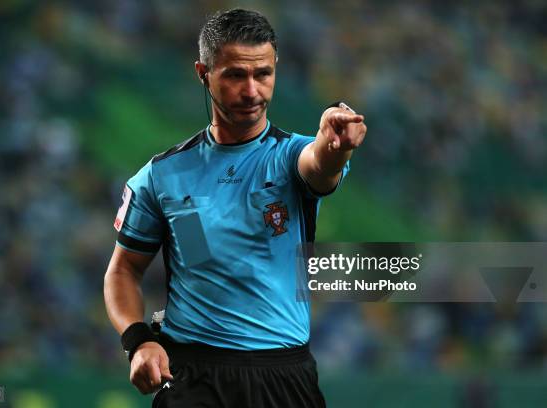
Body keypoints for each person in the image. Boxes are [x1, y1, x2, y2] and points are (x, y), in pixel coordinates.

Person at [103, 8, 367, 408]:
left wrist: (335, 148)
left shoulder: (290, 155)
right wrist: (138, 341)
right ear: (203, 73)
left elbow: (319, 168)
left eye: (263, 74)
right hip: (193, 375)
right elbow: (123, 270)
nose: (251, 91)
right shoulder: (162, 176)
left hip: (283, 378)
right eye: (235, 75)